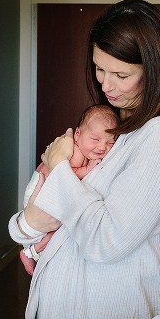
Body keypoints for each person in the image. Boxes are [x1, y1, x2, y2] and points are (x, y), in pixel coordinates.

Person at [8, 0, 160, 319]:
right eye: (99, 69)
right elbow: (31, 221)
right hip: (67, 316)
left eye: (121, 74)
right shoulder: (118, 126)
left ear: (154, 70)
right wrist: (26, 225)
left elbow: (106, 241)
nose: (106, 85)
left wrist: (58, 165)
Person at [18, 104, 119, 275]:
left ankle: (34, 251)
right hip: (38, 193)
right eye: (95, 139)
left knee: (61, 228)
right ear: (77, 134)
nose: (102, 147)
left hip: (44, 194)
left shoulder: (82, 149)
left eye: (111, 142)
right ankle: (31, 252)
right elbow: (64, 174)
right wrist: (87, 170)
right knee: (60, 228)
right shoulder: (75, 152)